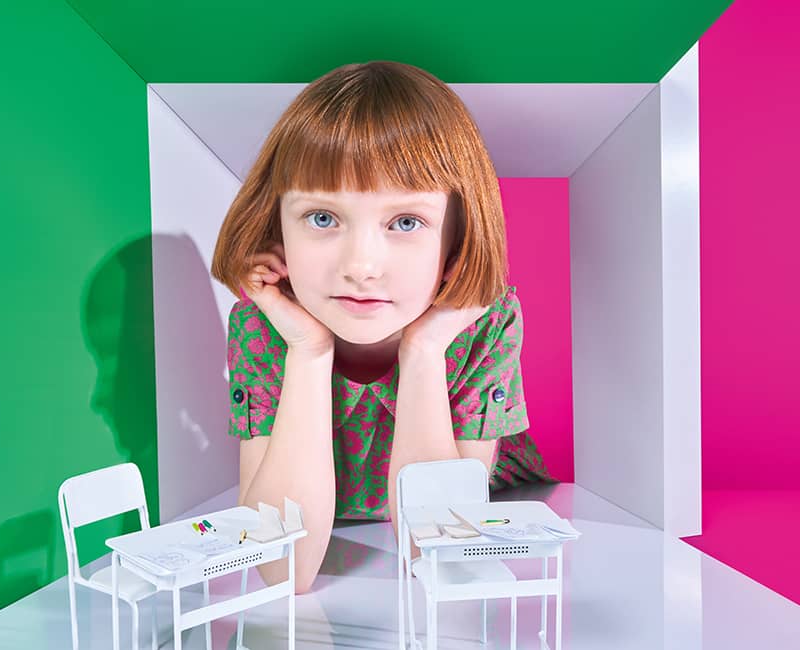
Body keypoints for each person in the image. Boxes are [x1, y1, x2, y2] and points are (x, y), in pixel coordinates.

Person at [209, 60, 554, 594]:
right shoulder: (264, 325)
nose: (362, 265)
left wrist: (424, 351)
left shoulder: (481, 322)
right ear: (277, 224)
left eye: (406, 222)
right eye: (323, 218)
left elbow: (438, 550)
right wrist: (308, 352)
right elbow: (284, 569)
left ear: (458, 235)